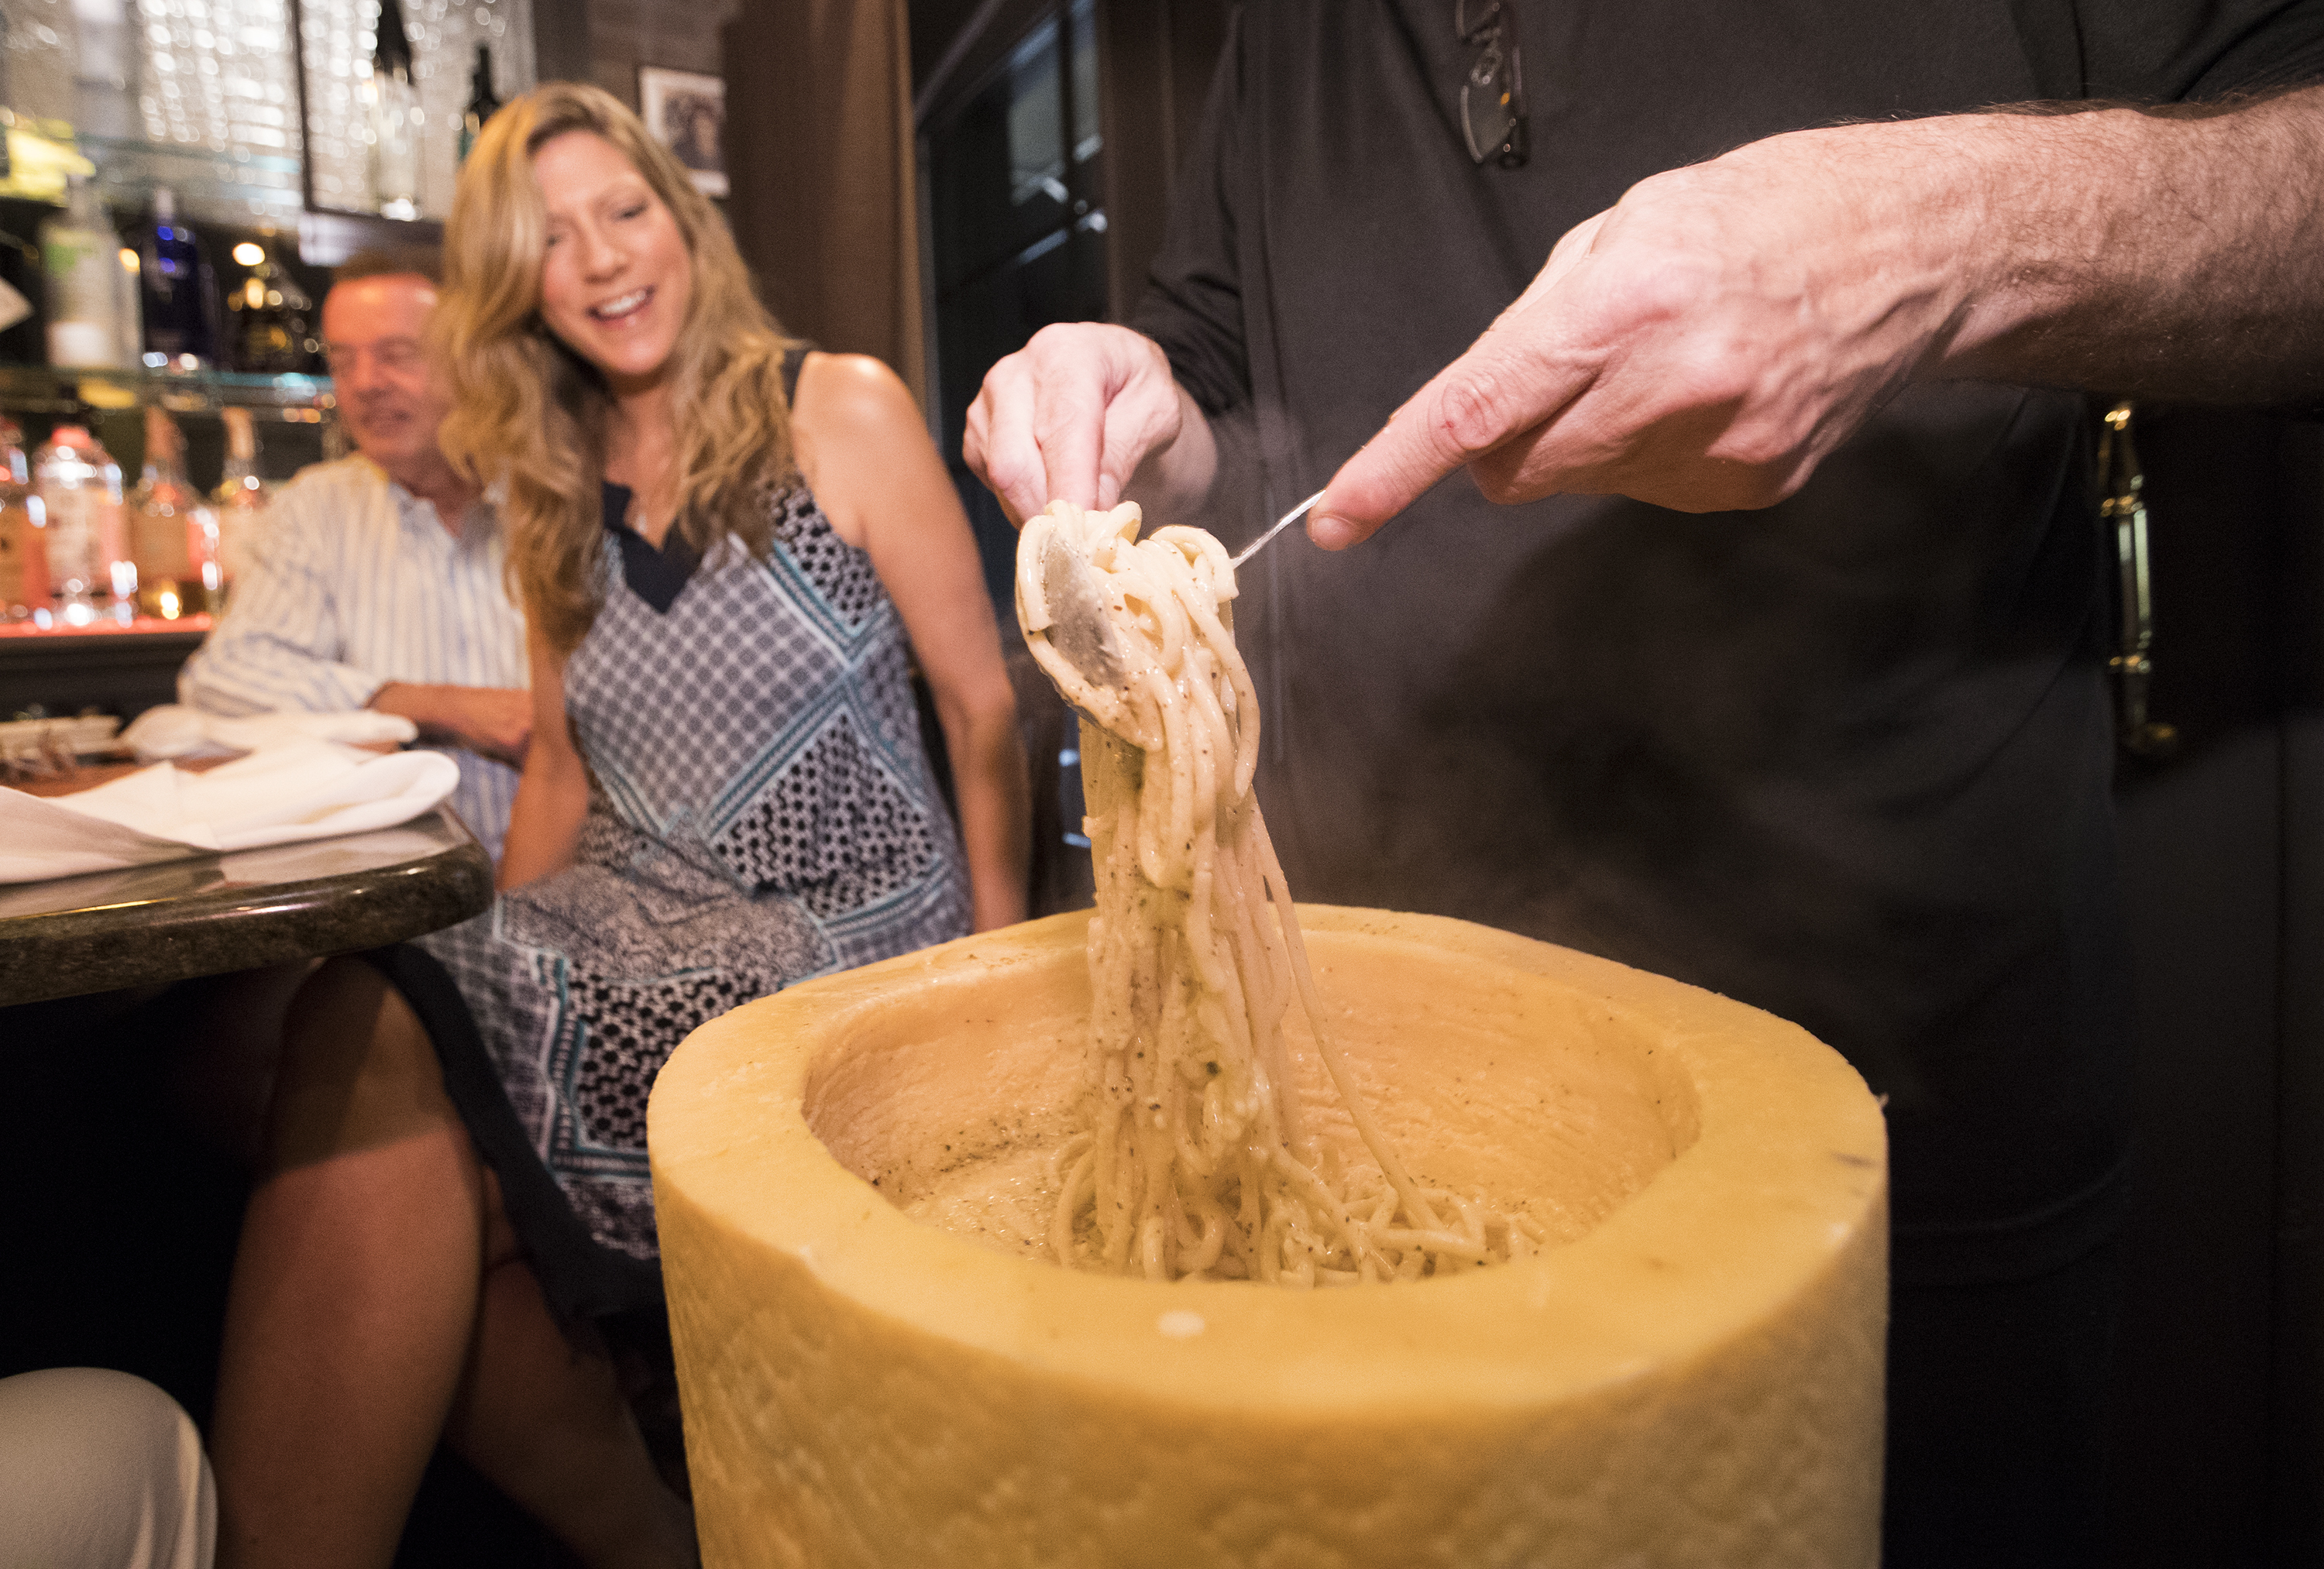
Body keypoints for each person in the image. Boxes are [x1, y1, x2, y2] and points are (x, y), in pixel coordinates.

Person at [964, 6, 2324, 1565]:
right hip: (1333, 1096)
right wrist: (1140, 415)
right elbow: (1215, 374)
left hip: (1886, 1104)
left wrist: (1945, 239)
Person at [207, 84, 1030, 1567]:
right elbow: (564, 778)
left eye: (624, 212)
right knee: (390, 1035)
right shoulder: (547, 477)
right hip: (629, 917)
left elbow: (980, 709)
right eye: (550, 238)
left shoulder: (837, 407)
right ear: (515, 283)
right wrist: (486, 975)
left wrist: (999, 978)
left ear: (682, 218)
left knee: (384, 1069)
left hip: (835, 927)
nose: (599, 260)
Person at [180, 249, 530, 859]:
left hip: (575, 883)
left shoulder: (555, 501)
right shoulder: (316, 510)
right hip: (392, 891)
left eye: (398, 354)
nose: (366, 384)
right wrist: (434, 707)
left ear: (479, 359)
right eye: (343, 362)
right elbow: (224, 677)